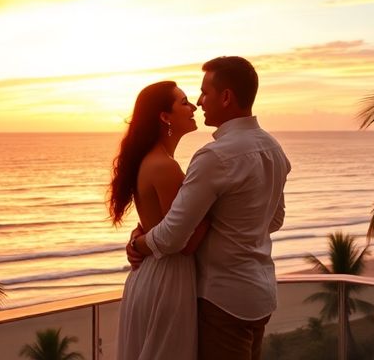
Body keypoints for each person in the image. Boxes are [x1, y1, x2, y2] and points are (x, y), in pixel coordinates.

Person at [128, 56, 290, 360]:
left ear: (226, 97)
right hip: (260, 294)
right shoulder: (273, 149)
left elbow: (173, 236)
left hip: (222, 299)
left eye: (204, 93)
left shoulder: (214, 157)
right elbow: (275, 219)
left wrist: (138, 243)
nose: (200, 102)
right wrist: (236, 222)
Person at [110, 81, 209, 360]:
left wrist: (138, 238)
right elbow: (186, 243)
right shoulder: (165, 166)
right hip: (167, 279)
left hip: (150, 274)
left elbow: (156, 222)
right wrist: (215, 202)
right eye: (184, 102)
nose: (193, 107)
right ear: (165, 117)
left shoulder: (151, 160)